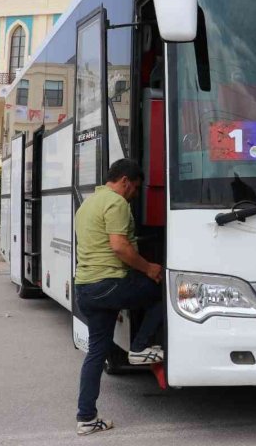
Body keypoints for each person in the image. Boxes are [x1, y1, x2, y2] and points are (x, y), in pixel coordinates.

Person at [74, 158, 164, 436]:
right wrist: (149, 268)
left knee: (97, 353)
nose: (134, 194)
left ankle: (87, 419)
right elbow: (119, 247)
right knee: (163, 291)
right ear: (125, 181)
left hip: (85, 287)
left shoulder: (89, 203)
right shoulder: (117, 203)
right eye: (135, 188)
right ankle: (139, 347)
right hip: (108, 284)